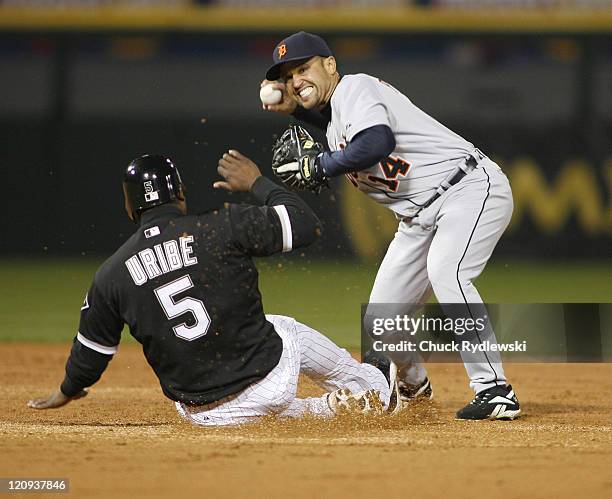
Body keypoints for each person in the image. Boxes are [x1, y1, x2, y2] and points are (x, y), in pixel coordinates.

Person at [27, 152, 398, 425]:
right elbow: (304, 224)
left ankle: (328, 410)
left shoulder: (111, 275)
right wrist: (257, 183)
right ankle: (372, 387)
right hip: (269, 376)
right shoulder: (219, 227)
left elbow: (91, 351)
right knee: (281, 327)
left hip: (205, 414)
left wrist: (68, 388)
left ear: (129, 207)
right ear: (182, 195)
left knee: (260, 410)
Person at [261, 31, 521, 420]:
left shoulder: (356, 88)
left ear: (330, 65)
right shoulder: (336, 118)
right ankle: (412, 385)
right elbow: (340, 129)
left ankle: (495, 390)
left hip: (467, 188)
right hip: (419, 218)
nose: (296, 80)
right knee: (380, 320)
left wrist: (321, 165)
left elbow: (377, 142)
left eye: (304, 68)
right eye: (288, 76)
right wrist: (298, 111)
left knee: (448, 271)